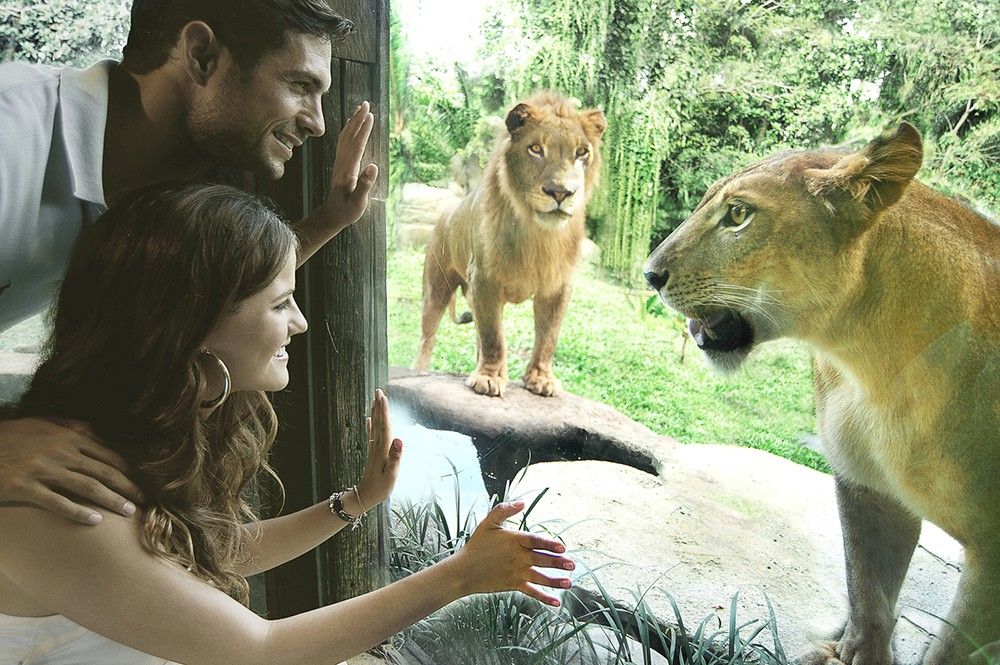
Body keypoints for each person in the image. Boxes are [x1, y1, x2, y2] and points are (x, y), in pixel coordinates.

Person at [0, 182, 576, 664]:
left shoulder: (136, 431)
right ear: (192, 323)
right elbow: (263, 650)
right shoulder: (65, 497)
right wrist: (459, 576)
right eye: (279, 304)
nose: (300, 323)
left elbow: (202, 552)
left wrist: (355, 501)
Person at [0, 0, 376, 524]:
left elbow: (213, 296)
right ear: (200, 56)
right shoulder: (9, 139)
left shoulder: (162, 181)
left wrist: (329, 221)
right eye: (299, 85)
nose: (316, 123)